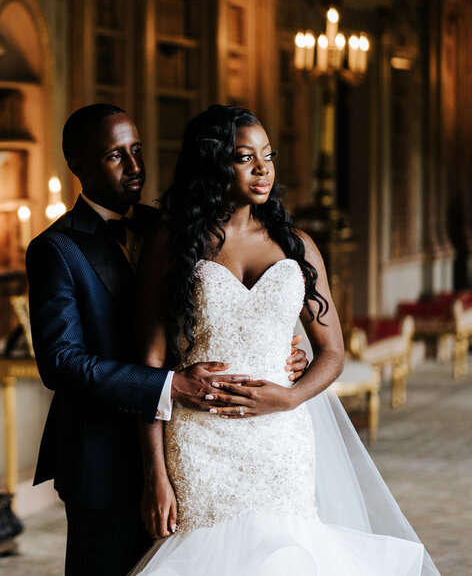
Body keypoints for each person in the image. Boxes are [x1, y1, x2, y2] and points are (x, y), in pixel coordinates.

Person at [131, 104, 438, 575]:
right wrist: (155, 473)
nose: (262, 169)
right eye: (244, 157)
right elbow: (149, 365)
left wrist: (290, 396)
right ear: (213, 162)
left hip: (280, 441)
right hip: (198, 439)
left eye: (268, 156)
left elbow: (333, 352)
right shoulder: (173, 243)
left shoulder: (297, 244)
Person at [25, 104, 308, 576]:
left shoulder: (176, 228)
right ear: (76, 165)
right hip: (107, 453)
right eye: (116, 156)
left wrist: (281, 351)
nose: (135, 167)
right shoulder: (56, 249)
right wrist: (169, 385)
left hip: (194, 446)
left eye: (136, 150)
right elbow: (61, 362)